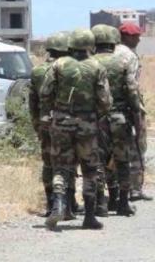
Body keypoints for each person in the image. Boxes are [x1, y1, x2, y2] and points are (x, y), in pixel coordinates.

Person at [40, 28, 111, 230]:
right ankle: (89, 216)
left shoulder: (59, 64)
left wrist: (55, 109)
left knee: (61, 167)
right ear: (90, 45)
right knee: (90, 169)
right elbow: (105, 100)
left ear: (71, 45)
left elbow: (45, 92)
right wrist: (95, 114)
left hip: (61, 122)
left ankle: (59, 204)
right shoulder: (97, 67)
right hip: (87, 124)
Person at [92, 24, 139, 216]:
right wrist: (136, 113)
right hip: (120, 117)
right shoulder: (123, 61)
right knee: (122, 160)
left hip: (97, 119)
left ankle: (103, 202)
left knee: (100, 161)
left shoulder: (90, 62)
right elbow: (132, 89)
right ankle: (123, 203)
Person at [29, 32, 74, 218]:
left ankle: (51, 205)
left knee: (49, 164)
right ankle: (69, 206)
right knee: (68, 164)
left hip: (45, 123)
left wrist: (37, 125)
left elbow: (32, 102)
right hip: (67, 123)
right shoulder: (70, 70)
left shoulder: (38, 71)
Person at [115, 22, 152, 201]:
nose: (138, 39)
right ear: (126, 37)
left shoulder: (109, 53)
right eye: (136, 36)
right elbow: (132, 87)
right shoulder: (129, 56)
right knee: (137, 147)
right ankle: (135, 188)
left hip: (109, 109)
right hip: (129, 108)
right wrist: (137, 111)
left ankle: (115, 190)